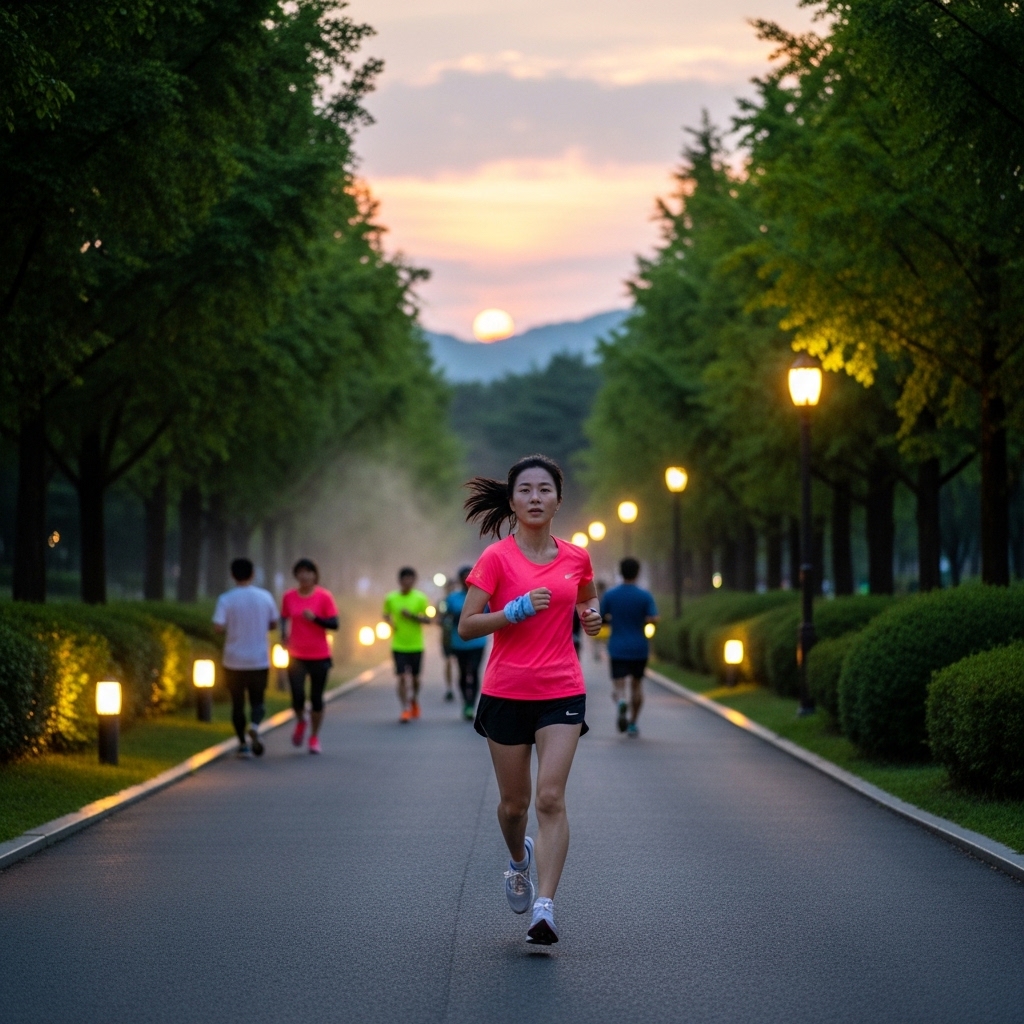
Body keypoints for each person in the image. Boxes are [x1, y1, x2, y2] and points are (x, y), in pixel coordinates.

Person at [459, 454, 602, 946]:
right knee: (514, 805)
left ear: (559, 499)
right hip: (506, 691)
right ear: (513, 499)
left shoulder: (576, 557)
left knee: (550, 797)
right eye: (526, 490)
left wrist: (592, 616)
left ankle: (545, 907)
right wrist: (513, 610)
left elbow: (585, 596)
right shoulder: (496, 558)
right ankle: (518, 860)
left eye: (545, 489)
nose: (535, 498)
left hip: (562, 688)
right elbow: (467, 624)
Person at [212, 558, 279, 758]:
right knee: (258, 701)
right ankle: (256, 726)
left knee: (237, 703)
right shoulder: (265, 597)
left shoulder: (226, 599)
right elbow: (274, 623)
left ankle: (243, 745)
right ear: (253, 574)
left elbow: (217, 626)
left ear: (233, 575)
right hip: (258, 659)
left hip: (233, 660)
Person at [280, 558, 338, 755]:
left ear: (315, 575)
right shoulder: (289, 596)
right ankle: (300, 721)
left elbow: (335, 624)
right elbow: (284, 617)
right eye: (300, 572)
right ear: (296, 575)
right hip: (296, 654)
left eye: (308, 572)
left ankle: (314, 737)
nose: (304, 576)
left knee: (316, 698)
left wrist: (316, 619)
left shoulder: (324, 596)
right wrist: (283, 636)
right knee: (297, 696)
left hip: (320, 654)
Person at [600, 557, 659, 737]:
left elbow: (601, 617)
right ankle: (633, 723)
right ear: (637, 572)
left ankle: (620, 701)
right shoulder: (644, 595)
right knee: (637, 685)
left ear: (621, 571)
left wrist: (612, 621)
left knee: (619, 685)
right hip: (639, 647)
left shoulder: (610, 595)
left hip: (617, 646)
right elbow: (654, 618)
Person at [383, 567, 431, 723]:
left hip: (416, 645)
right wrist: (390, 622)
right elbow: (385, 614)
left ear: (414, 581)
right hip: (398, 645)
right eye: (405, 579)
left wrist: (412, 616)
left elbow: (428, 620)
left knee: (416, 679)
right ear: (400, 581)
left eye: (411, 579)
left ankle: (414, 699)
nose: (408, 582)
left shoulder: (420, 598)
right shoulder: (391, 598)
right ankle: (404, 708)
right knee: (402, 677)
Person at [447, 565, 487, 721]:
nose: (465, 579)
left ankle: (471, 703)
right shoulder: (452, 598)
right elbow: (445, 618)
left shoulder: (483, 594)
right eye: (463, 576)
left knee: (475, 671)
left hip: (478, 642)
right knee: (463, 673)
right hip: (459, 642)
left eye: (468, 575)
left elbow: (488, 613)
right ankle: (465, 701)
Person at [438, 579, 457, 702]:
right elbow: (439, 618)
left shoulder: (462, 600)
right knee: (449, 661)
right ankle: (449, 688)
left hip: (460, 636)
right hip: (447, 636)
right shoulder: (443, 602)